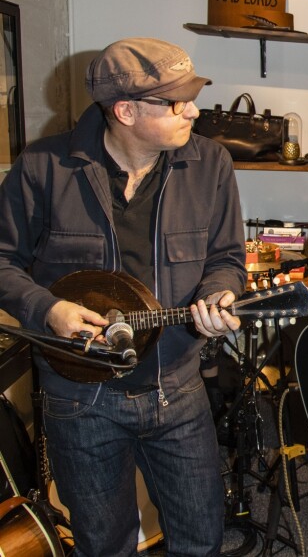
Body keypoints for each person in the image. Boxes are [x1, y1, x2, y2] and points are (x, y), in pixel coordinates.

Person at [0, 38, 247, 556]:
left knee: (201, 541)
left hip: (176, 389)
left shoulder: (211, 164)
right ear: (126, 110)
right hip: (79, 399)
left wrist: (219, 296)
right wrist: (48, 309)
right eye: (177, 103)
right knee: (103, 544)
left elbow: (226, 259)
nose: (194, 111)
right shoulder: (43, 168)